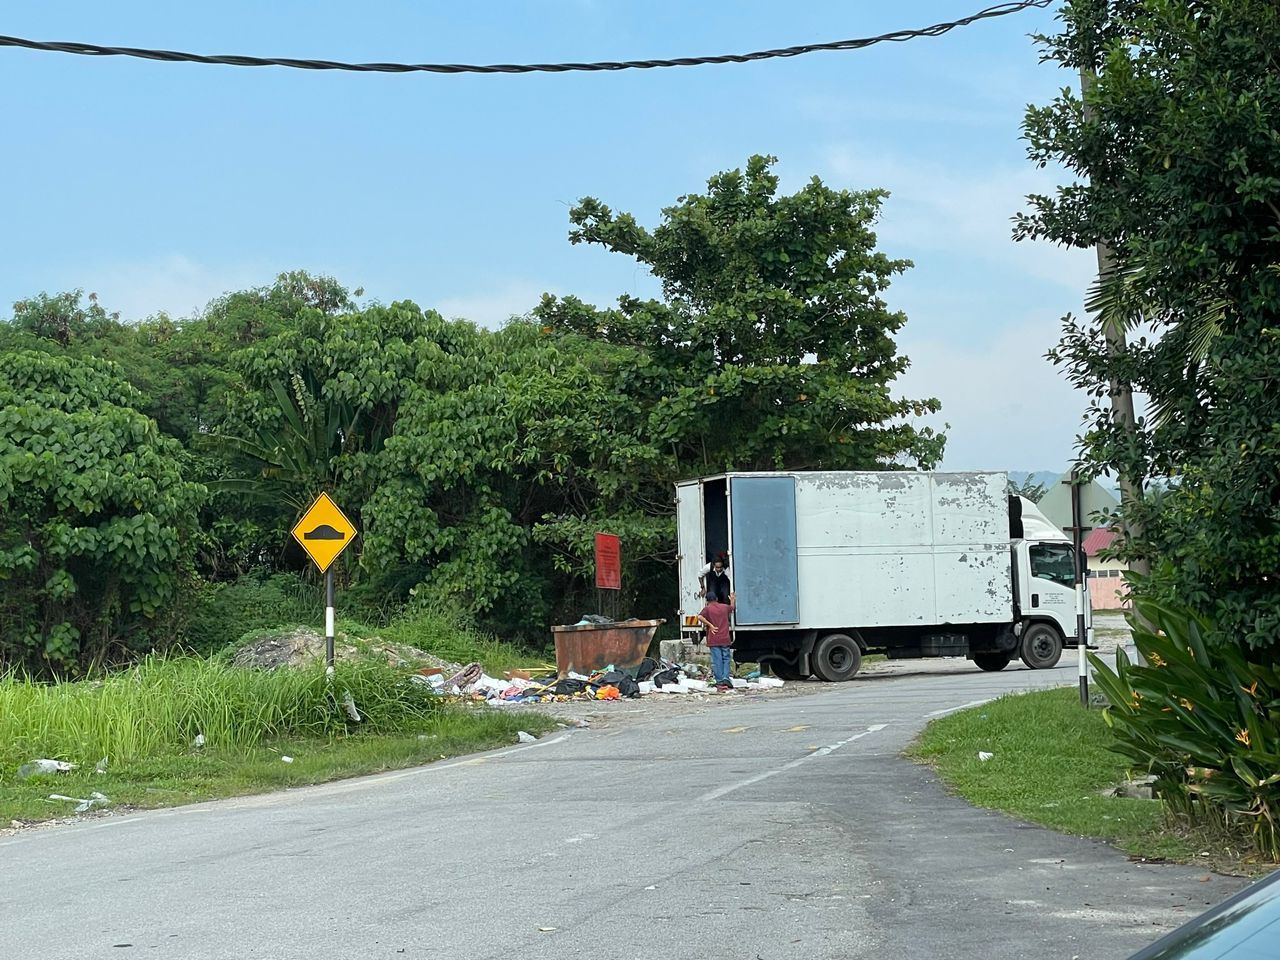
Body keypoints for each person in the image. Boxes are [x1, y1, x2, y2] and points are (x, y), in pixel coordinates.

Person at [696, 591, 736, 692]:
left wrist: (710, 625)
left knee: (717, 660)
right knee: (726, 659)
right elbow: (732, 608)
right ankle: (726, 678)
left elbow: (699, 617)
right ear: (717, 598)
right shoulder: (724, 607)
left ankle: (719, 681)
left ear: (707, 601)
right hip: (725, 638)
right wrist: (732, 600)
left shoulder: (707, 609)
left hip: (714, 639)